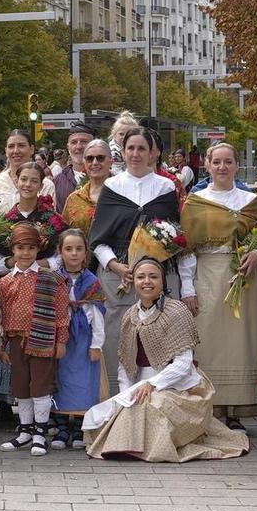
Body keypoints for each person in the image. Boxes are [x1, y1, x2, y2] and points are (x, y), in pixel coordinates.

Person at [84, 257, 250, 462]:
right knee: (114, 409)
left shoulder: (176, 311)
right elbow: (125, 363)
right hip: (142, 385)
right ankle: (125, 445)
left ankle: (147, 447)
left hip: (180, 387)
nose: (147, 281)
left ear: (163, 282)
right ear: (132, 282)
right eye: (141, 277)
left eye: (153, 277)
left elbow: (183, 363)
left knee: (151, 404)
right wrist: (127, 391)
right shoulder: (130, 316)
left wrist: (153, 384)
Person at [178, 142, 257, 425]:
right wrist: (188, 288)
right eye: (216, 162)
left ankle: (237, 410)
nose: (222, 167)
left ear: (237, 165)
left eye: (228, 162)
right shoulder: (195, 202)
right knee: (209, 340)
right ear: (207, 165)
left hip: (244, 276)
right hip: (207, 273)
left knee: (242, 342)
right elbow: (185, 248)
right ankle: (211, 405)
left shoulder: (250, 201)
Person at [89, 127, 182, 395]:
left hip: (157, 273)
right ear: (123, 151)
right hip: (118, 273)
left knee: (158, 335)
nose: (136, 154)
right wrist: (115, 266)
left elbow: (175, 237)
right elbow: (97, 239)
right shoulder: (112, 187)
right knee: (117, 335)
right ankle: (116, 398)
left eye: (142, 148)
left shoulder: (166, 188)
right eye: (131, 148)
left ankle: (156, 396)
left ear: (153, 153)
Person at [0, 219, 74, 455]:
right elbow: (0, 314)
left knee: (41, 386)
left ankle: (40, 432)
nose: (25, 253)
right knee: (21, 386)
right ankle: (25, 431)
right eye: (20, 248)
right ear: (13, 250)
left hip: (43, 340)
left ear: (38, 249)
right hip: (16, 341)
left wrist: (61, 341)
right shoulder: (5, 282)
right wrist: (0, 344)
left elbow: (61, 313)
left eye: (30, 248)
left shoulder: (52, 279)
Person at [50, 230, 105, 449]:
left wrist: (96, 344)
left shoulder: (92, 282)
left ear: (86, 253)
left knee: (84, 382)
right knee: (61, 381)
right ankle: (62, 428)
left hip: (84, 339)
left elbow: (99, 315)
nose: (74, 254)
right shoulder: (55, 280)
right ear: (60, 252)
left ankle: (81, 429)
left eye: (79, 249)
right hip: (62, 339)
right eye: (68, 249)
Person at [0, 161, 67, 262]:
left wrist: (43, 264)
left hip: (46, 275)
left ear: (41, 186)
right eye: (24, 179)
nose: (28, 184)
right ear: (17, 182)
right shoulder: (5, 221)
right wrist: (13, 262)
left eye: (34, 181)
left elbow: (65, 252)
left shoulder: (54, 220)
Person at [61, 138, 112, 233]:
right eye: (90, 158)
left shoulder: (123, 194)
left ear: (111, 161)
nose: (95, 162)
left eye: (100, 158)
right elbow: (65, 235)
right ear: (84, 163)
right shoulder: (74, 199)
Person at [0, 129, 36, 210]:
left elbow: (51, 220)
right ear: (6, 151)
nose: (16, 151)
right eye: (11, 146)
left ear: (32, 149)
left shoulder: (45, 185)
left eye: (21, 145)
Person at [49, 124, 94, 210]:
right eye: (74, 142)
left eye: (84, 141)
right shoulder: (56, 182)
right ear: (68, 147)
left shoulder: (107, 179)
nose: (79, 146)